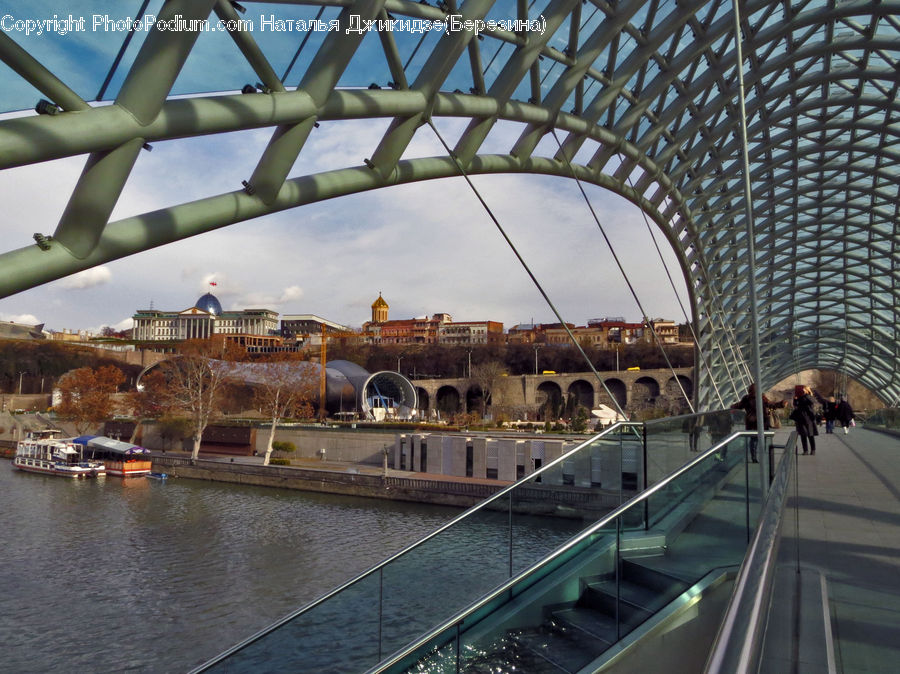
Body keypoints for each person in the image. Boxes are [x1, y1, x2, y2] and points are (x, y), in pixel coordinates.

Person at [731, 384, 786, 463]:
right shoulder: (762, 398)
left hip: (751, 422)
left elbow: (738, 406)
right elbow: (771, 405)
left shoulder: (746, 398)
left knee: (753, 440)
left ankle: (753, 457)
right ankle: (762, 456)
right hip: (762, 422)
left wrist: (731, 407)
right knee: (763, 440)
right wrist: (781, 404)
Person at [790, 385, 818, 455]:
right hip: (801, 419)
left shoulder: (808, 397)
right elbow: (795, 406)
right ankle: (805, 450)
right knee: (803, 435)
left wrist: (805, 394)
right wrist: (795, 399)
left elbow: (812, 402)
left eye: (803, 390)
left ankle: (813, 450)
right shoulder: (799, 398)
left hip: (808, 419)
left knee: (810, 435)